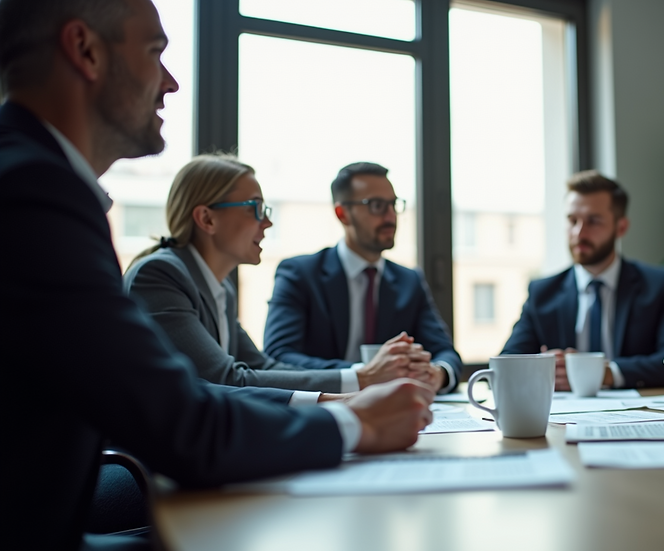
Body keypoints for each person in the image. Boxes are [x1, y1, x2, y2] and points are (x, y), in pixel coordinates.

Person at [0, 1, 433, 549]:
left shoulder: (32, 178)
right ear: (85, 50)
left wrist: (352, 394)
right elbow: (188, 415)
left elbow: (247, 371)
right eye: (156, 52)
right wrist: (355, 420)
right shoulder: (34, 194)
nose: (172, 82)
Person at [124, 154, 404, 394]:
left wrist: (359, 379)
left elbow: (261, 366)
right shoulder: (160, 275)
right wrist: (361, 379)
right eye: (255, 208)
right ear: (207, 219)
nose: (267, 222)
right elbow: (224, 379)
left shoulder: (220, 288)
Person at [264, 162, 463, 393]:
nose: (391, 217)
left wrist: (437, 374)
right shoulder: (300, 274)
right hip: (323, 409)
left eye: (393, 204)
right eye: (377, 205)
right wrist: (364, 374)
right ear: (342, 214)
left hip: (396, 412)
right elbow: (279, 355)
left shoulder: (410, 281)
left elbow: (445, 353)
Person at [501, 170, 664, 390]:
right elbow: (507, 363)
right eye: (572, 220)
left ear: (621, 227)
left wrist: (604, 372)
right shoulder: (543, 293)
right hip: (562, 420)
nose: (579, 233)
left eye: (593, 221)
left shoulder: (658, 285)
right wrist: (540, 367)